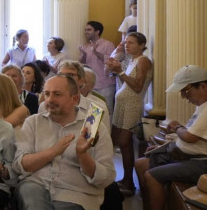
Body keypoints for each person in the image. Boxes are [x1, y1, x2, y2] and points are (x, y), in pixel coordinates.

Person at [13, 75, 115, 210]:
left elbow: (105, 178)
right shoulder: (34, 122)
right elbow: (20, 165)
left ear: (75, 99)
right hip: (36, 186)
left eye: (57, 94)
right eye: (47, 94)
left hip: (75, 193)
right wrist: (53, 151)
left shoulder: (91, 125)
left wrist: (82, 155)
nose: (49, 99)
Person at [135, 65, 207, 210]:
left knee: (152, 176)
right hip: (184, 155)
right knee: (141, 164)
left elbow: (189, 136)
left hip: (200, 162)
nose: (184, 97)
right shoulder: (202, 105)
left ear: (203, 86)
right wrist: (162, 146)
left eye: (186, 91)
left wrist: (177, 127)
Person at [104, 31, 152, 195]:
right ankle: (125, 179)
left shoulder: (143, 61)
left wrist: (121, 72)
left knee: (125, 142)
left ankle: (130, 183)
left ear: (141, 45)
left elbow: (137, 87)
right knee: (119, 142)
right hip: (122, 104)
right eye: (126, 42)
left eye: (131, 42)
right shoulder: (131, 60)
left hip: (132, 105)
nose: (127, 45)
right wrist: (116, 70)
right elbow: (125, 83)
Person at [78, 20, 117, 111]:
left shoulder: (108, 44)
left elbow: (112, 62)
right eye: (85, 30)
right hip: (90, 85)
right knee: (92, 112)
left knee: (107, 110)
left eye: (89, 30)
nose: (86, 32)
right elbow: (81, 64)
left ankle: (106, 126)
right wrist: (83, 55)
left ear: (97, 31)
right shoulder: (86, 46)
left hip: (105, 84)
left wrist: (96, 53)